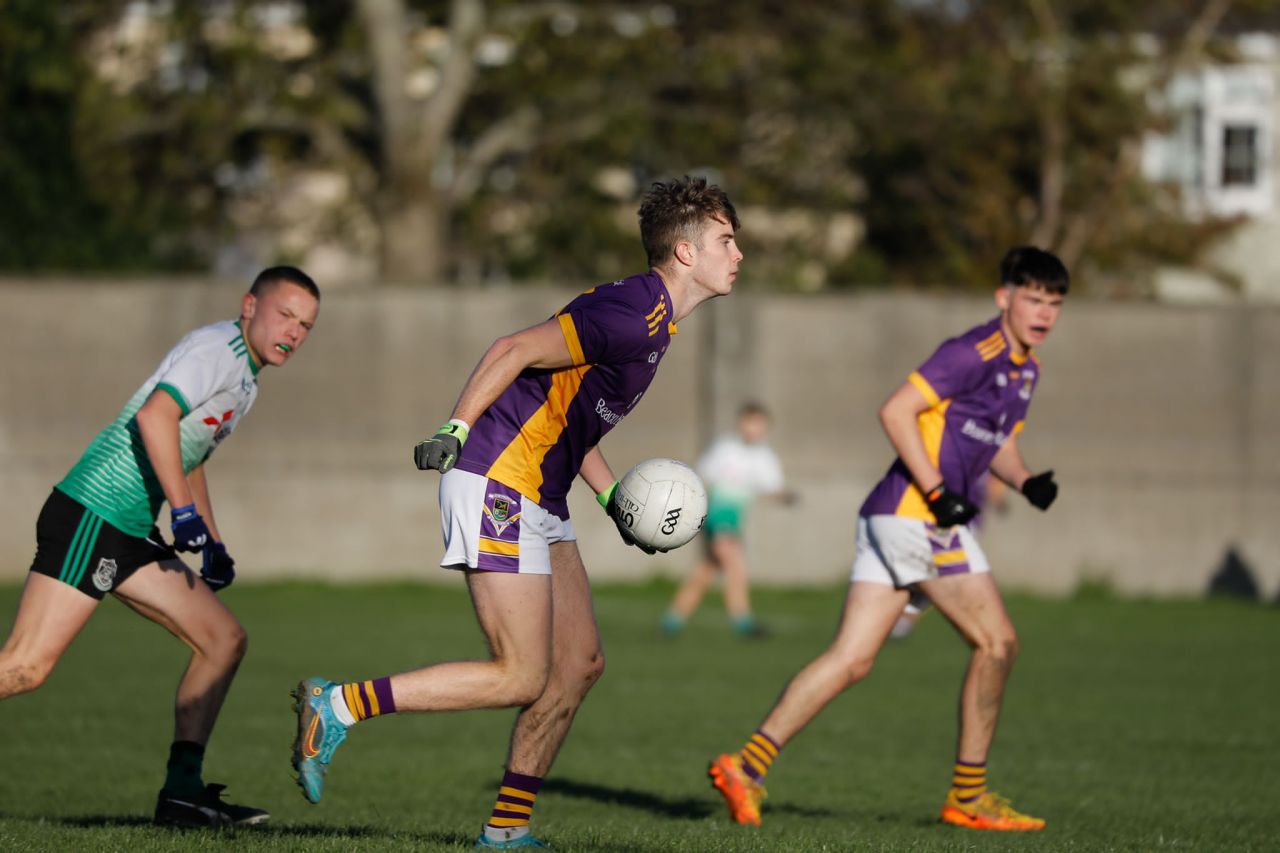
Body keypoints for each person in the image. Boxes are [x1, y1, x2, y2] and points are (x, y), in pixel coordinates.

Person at [290, 176, 743, 849]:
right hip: (498, 478)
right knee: (521, 672)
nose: (738, 252)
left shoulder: (656, 324)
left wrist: (613, 498)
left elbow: (574, 420)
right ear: (684, 252)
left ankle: (506, 828)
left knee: (579, 663)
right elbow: (514, 349)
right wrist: (456, 427)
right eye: (726, 239)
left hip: (544, 490)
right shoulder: (631, 310)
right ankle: (339, 705)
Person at [708, 246, 1067, 832]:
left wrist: (1026, 480)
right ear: (1004, 298)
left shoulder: (1026, 370)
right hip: (916, 516)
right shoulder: (972, 352)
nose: (1044, 312)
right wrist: (936, 489)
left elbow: (996, 440)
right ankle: (968, 797)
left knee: (851, 660)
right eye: (1033, 299)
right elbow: (896, 410)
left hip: (895, 517)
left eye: (1054, 303)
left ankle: (745, 766)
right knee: (998, 644)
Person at [0, 266, 321, 827]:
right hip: (93, 516)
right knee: (26, 668)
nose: (293, 332)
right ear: (250, 306)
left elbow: (188, 453)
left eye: (306, 326)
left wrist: (212, 542)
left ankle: (182, 793)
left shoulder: (246, 378)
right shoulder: (216, 349)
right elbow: (155, 418)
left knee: (222, 640)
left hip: (128, 531)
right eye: (285, 315)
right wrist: (183, 513)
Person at [660, 401, 795, 637]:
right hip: (717, 514)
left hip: (735, 518)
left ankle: (672, 620)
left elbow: (772, 488)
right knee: (735, 564)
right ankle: (743, 621)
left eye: (759, 425)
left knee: (706, 570)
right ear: (741, 423)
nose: (754, 429)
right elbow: (702, 478)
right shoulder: (725, 449)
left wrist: (786, 497)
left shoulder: (765, 457)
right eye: (750, 423)